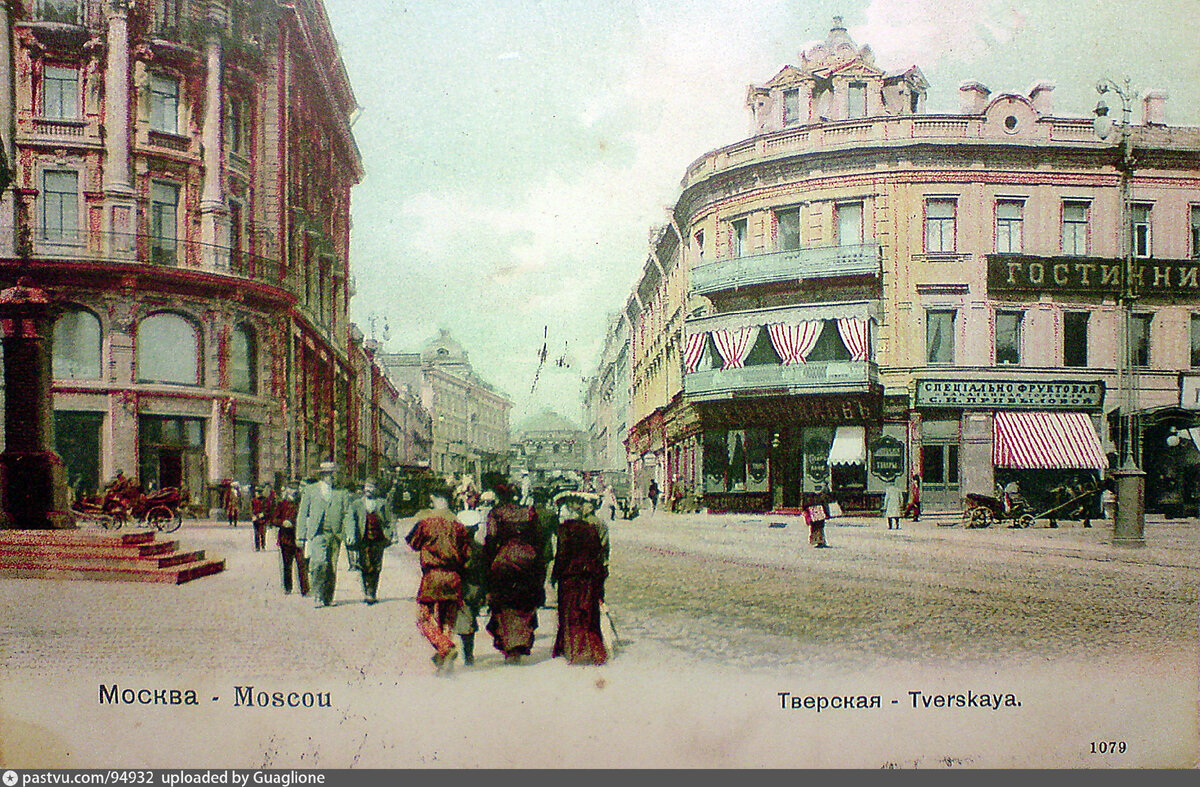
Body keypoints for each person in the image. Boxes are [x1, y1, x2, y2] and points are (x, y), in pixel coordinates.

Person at [406, 489, 472, 671]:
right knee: (447, 619)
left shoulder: (426, 522)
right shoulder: (459, 524)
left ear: (435, 499)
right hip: (453, 577)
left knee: (424, 618)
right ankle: (445, 661)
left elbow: (413, 543)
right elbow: (467, 553)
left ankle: (445, 648)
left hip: (432, 576)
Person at [483, 483, 547, 664]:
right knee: (526, 602)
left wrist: (488, 563)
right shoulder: (529, 512)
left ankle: (510, 645)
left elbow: (491, 538)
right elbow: (539, 538)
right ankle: (521, 642)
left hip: (505, 559)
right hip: (529, 560)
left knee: (504, 603)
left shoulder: (496, 513)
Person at [550, 492, 608, 666]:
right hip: (589, 575)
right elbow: (599, 552)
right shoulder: (591, 529)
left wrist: (555, 575)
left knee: (571, 613)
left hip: (570, 577)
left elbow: (562, 555)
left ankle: (575, 650)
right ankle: (593, 650)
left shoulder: (565, 531)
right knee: (588, 613)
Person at [297, 462, 353, 608]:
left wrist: (349, 533)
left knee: (332, 566)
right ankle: (317, 593)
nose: (331, 477)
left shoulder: (342, 492)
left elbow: (347, 514)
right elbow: (303, 513)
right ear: (322, 475)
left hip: (335, 534)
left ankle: (328, 597)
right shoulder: (310, 490)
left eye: (333, 473)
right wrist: (300, 536)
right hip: (317, 533)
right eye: (328, 474)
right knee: (319, 563)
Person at [345, 480, 395, 605]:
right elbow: (350, 519)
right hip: (364, 538)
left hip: (378, 538)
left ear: (376, 489)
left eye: (371, 487)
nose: (369, 489)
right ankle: (367, 591)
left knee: (377, 565)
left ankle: (373, 591)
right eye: (367, 486)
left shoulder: (382, 503)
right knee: (365, 565)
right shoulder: (357, 503)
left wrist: (391, 534)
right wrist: (351, 534)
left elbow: (390, 519)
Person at [453, 507, 487, 666]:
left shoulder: (455, 548)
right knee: (469, 619)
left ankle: (468, 655)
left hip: (463, 588)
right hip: (475, 589)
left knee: (465, 621)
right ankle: (469, 654)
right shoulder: (479, 548)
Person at [273, 484, 309, 596]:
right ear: (287, 491)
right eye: (291, 489)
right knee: (287, 565)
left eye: (295, 489)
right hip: (286, 538)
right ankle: (288, 587)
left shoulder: (301, 504)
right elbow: (274, 519)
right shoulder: (281, 504)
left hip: (298, 537)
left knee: (302, 564)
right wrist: (282, 522)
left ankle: (305, 589)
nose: (293, 491)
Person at [250, 485, 272, 552]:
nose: (257, 493)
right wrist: (252, 515)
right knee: (256, 533)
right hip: (255, 519)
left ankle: (263, 545)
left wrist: (263, 514)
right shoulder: (253, 500)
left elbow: (268, 509)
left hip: (262, 519)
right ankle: (257, 546)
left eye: (259, 492)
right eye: (257, 492)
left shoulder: (265, 500)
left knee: (262, 532)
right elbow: (250, 509)